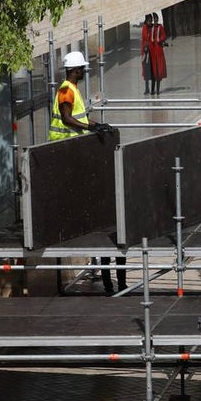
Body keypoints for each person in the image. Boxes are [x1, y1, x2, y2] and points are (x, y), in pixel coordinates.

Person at [48, 51, 123, 293]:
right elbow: (68, 119)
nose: (84, 72)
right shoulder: (65, 89)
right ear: (75, 69)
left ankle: (112, 282)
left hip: (72, 147)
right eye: (82, 69)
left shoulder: (71, 88)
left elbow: (80, 117)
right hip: (64, 147)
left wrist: (96, 125)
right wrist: (89, 128)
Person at [142, 12, 168, 95]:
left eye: (155, 20)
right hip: (150, 51)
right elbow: (146, 37)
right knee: (151, 71)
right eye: (154, 20)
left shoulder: (159, 27)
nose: (154, 22)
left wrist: (160, 40)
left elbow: (163, 36)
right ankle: (150, 89)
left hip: (158, 51)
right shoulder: (149, 27)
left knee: (158, 71)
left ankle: (157, 90)